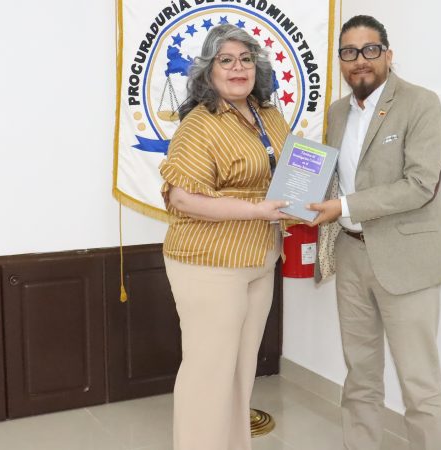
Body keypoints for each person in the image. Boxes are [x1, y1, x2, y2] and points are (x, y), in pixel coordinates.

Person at [308, 15, 441, 450]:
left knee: (419, 386)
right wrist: (299, 194)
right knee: (359, 376)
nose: (360, 60)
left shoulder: (419, 103)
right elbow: (335, 176)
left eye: (370, 50)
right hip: (351, 255)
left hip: (406, 261)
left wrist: (344, 207)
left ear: (388, 55)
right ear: (340, 61)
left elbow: (420, 185)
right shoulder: (337, 112)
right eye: (349, 52)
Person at [158, 24, 291, 450]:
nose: (238, 68)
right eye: (226, 60)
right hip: (209, 263)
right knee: (208, 376)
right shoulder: (200, 124)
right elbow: (182, 197)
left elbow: (286, 173)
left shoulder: (269, 115)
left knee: (239, 373)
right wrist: (256, 210)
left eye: (246, 59)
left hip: (260, 257)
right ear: (208, 70)